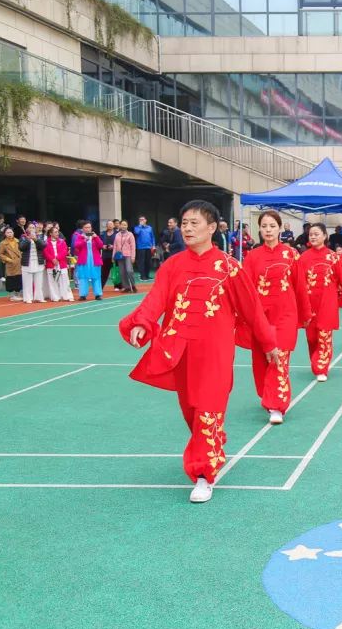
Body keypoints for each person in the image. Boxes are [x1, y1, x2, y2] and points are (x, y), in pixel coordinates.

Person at [121, 200, 280, 503]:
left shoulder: (230, 267)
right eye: (184, 223)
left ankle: (203, 474)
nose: (188, 228)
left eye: (195, 223)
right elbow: (156, 299)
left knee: (208, 406)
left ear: (211, 228)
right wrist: (143, 322)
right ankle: (212, 442)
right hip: (179, 349)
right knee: (193, 411)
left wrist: (269, 343)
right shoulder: (172, 265)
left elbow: (252, 310)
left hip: (215, 353)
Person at [239, 210, 311, 425]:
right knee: (262, 361)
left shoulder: (291, 255)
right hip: (260, 316)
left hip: (285, 315)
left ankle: (277, 405)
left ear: (280, 228)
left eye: (272, 226)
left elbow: (300, 287)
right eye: (264, 226)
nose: (268, 230)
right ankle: (268, 396)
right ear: (259, 229)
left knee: (279, 359)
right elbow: (246, 290)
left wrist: (305, 313)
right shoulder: (252, 257)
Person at [297, 223, 342, 382]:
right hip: (309, 304)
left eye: (317, 234)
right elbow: (299, 283)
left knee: (324, 335)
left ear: (325, 236)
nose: (313, 237)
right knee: (311, 338)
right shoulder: (303, 258)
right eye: (311, 234)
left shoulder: (332, 257)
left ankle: (321, 367)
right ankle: (316, 362)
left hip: (327, 303)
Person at [72, 220, 104, 301]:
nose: (88, 229)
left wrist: (96, 237)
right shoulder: (80, 236)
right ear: (82, 229)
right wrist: (84, 240)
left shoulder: (94, 236)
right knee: (83, 277)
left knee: (96, 277)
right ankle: (83, 295)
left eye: (89, 227)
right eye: (86, 227)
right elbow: (76, 246)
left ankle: (98, 294)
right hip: (84, 260)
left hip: (95, 260)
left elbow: (101, 245)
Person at [43, 225, 72, 302]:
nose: (57, 233)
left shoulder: (62, 241)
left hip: (61, 263)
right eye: (55, 232)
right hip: (51, 264)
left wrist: (57, 258)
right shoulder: (45, 242)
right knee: (53, 281)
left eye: (57, 232)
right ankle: (55, 297)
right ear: (50, 234)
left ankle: (67, 296)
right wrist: (52, 259)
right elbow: (45, 252)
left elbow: (65, 251)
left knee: (65, 280)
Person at [19, 224, 47, 304]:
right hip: (27, 263)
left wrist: (35, 239)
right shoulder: (23, 237)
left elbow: (43, 245)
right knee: (27, 282)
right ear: (27, 229)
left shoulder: (39, 237)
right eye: (30, 227)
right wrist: (28, 240)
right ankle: (28, 298)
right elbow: (21, 247)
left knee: (39, 282)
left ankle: (39, 297)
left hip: (38, 262)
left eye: (33, 227)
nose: (32, 229)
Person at [0, 227, 22, 301]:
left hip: (19, 263)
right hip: (10, 263)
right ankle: (12, 295)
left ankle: (18, 293)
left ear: (13, 233)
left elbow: (21, 250)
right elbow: (0, 254)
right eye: (7, 232)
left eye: (11, 232)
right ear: (5, 234)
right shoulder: (3, 243)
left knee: (18, 278)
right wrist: (9, 260)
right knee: (11, 278)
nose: (9, 234)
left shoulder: (17, 241)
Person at [113, 220, 137, 293]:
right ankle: (127, 287)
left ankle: (133, 285)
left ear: (127, 226)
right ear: (119, 226)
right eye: (122, 225)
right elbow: (115, 246)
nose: (123, 226)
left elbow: (133, 246)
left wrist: (133, 257)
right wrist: (113, 256)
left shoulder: (130, 234)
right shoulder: (117, 235)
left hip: (128, 255)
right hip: (119, 256)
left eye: (125, 225)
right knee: (122, 272)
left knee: (129, 270)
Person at [133, 216, 155, 280]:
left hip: (149, 247)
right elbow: (136, 233)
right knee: (141, 262)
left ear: (146, 220)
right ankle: (142, 276)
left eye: (143, 219)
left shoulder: (150, 228)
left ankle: (147, 275)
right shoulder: (137, 228)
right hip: (140, 247)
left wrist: (153, 245)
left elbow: (152, 237)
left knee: (148, 262)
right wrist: (140, 225)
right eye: (140, 220)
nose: (141, 221)